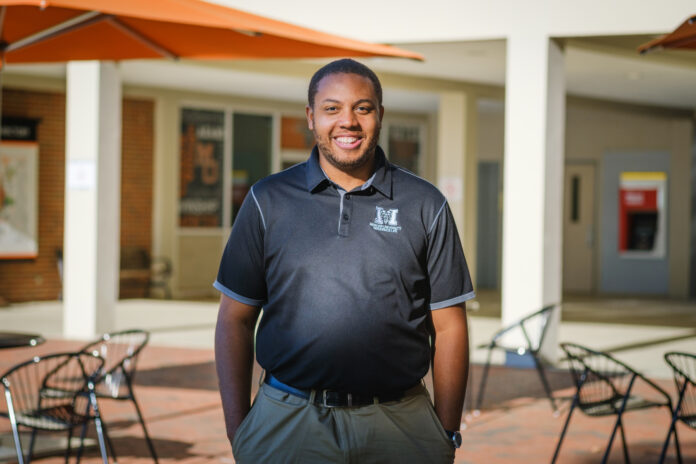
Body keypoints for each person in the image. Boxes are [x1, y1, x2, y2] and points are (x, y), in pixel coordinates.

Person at [214, 58, 474, 463]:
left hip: (400, 424)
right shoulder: (267, 200)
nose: (348, 121)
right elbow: (234, 317)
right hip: (288, 420)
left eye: (363, 108)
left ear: (380, 116)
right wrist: (239, 429)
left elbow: (450, 326)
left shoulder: (426, 204)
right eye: (332, 108)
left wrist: (445, 432)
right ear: (311, 117)